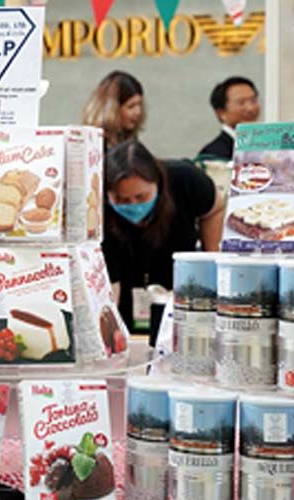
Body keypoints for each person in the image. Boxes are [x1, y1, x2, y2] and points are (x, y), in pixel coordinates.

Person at [102, 141, 225, 330]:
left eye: (141, 197)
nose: (133, 205)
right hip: (128, 288)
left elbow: (215, 209)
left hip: (180, 282)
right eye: (121, 199)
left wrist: (213, 260)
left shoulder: (185, 180)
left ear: (157, 182)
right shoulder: (98, 207)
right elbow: (110, 283)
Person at [198, 76, 260, 160]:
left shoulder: (266, 148)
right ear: (221, 113)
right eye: (241, 103)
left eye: (253, 101)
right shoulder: (212, 154)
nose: (250, 108)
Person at [82, 71, 145, 149]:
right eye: (131, 107)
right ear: (113, 110)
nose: (138, 112)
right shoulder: (94, 145)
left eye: (140, 105)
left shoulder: (129, 138)